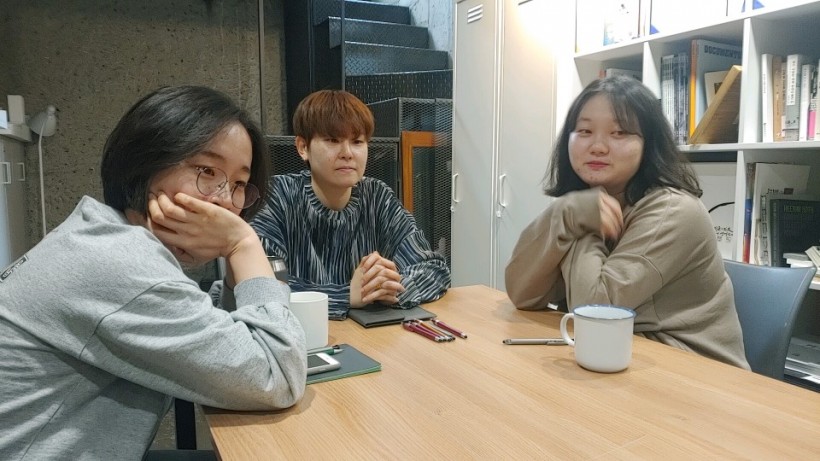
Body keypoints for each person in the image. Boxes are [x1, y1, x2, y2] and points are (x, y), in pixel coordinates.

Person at [0, 85, 307, 460]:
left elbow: (222, 339)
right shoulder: (120, 262)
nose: (226, 201)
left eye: (239, 183)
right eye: (207, 170)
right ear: (145, 162)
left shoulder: (103, 235)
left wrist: (234, 266)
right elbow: (278, 376)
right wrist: (243, 243)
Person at [504, 75, 749, 369]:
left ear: (649, 143)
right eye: (584, 131)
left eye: (619, 133)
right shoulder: (582, 206)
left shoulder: (673, 211)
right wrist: (567, 213)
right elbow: (523, 294)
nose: (598, 146)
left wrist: (581, 220)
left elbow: (595, 313)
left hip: (695, 373)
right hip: (622, 358)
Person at [251, 90, 450, 320]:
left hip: (370, 337)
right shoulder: (276, 196)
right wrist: (347, 295)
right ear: (303, 147)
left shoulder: (377, 197)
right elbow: (261, 286)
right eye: (332, 140)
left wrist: (391, 287)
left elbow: (435, 269)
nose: (347, 153)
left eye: (357, 142)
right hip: (301, 335)